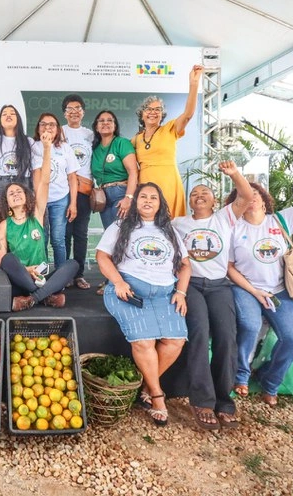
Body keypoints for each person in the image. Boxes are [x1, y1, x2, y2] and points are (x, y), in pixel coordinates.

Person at [225, 149, 293, 407]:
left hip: (278, 290)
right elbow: (229, 268)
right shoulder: (232, 228)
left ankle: (270, 380)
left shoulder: (281, 220)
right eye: (245, 194)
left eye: (256, 193)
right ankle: (241, 375)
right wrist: (254, 291)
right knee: (250, 324)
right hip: (246, 289)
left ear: (264, 200)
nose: (251, 197)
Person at [96, 182, 191, 426]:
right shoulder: (120, 226)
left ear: (160, 204)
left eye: (153, 198)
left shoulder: (169, 230)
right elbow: (102, 256)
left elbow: (185, 265)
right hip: (128, 293)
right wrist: (118, 282)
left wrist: (181, 292)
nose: (148, 201)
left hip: (165, 295)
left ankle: (146, 386)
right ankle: (157, 395)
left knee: (176, 340)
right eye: (143, 197)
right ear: (135, 201)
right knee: (144, 341)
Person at [172, 161, 253, 430]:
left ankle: (224, 401)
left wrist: (234, 174)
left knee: (227, 337)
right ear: (189, 202)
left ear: (214, 200)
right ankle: (202, 400)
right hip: (191, 285)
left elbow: (247, 196)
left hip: (219, 286)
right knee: (199, 332)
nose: (199, 195)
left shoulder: (224, 218)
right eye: (194, 193)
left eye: (205, 192)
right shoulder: (179, 223)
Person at [0, 130, 78, 312]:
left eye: (19, 191)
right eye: (11, 193)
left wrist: (47, 149)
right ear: (6, 202)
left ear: (27, 197)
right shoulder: (4, 225)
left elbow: (44, 182)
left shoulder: (37, 215)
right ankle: (47, 297)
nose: (16, 194)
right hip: (20, 280)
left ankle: (32, 299)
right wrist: (26, 270)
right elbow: (1, 262)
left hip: (42, 278)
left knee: (72, 264)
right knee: (8, 259)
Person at [132, 65, 204, 218]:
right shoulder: (135, 139)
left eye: (157, 109)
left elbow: (188, 114)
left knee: (169, 221)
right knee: (147, 222)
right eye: (148, 109)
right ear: (142, 114)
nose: (153, 112)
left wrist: (194, 84)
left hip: (168, 182)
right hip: (145, 185)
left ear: (162, 114)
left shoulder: (170, 129)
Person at [90, 110, 139, 295]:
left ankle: (123, 282)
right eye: (101, 120)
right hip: (104, 197)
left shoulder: (121, 143)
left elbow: (133, 171)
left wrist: (129, 198)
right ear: (96, 126)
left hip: (121, 193)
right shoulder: (95, 149)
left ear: (115, 125)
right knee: (111, 240)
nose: (105, 123)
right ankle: (112, 279)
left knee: (122, 238)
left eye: (109, 120)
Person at [31, 113, 79, 270]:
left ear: (58, 129)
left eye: (51, 124)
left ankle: (60, 276)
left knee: (58, 239)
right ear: (38, 128)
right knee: (41, 239)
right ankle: (42, 275)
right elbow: (36, 175)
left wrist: (73, 203)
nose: (47, 127)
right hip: (40, 201)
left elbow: (72, 177)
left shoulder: (65, 148)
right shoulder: (34, 147)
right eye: (43, 124)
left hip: (60, 200)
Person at [61, 94, 95, 289]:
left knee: (81, 234)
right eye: (70, 109)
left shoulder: (90, 135)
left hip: (84, 190)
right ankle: (64, 275)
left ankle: (79, 275)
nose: (74, 112)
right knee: (64, 234)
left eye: (78, 108)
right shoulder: (59, 132)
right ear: (64, 113)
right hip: (63, 189)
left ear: (83, 112)